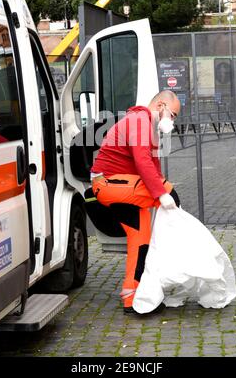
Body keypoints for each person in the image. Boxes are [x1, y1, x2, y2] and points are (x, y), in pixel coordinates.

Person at [91, 90, 181, 314]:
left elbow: (153, 167)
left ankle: (133, 298)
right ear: (161, 105)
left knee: (140, 241)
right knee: (170, 193)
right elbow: (143, 162)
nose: (173, 121)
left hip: (118, 185)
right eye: (173, 115)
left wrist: (161, 189)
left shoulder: (145, 125)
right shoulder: (140, 121)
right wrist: (162, 193)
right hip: (110, 184)